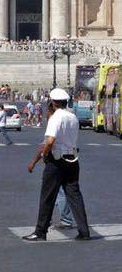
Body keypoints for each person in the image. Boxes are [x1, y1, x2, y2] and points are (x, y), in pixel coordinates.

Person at [23, 88, 91, 241]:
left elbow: (50, 140)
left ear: (53, 102)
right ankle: (84, 231)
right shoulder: (73, 117)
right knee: (75, 196)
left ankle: (40, 231)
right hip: (72, 159)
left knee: (47, 196)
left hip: (56, 161)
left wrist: (44, 155)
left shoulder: (55, 117)